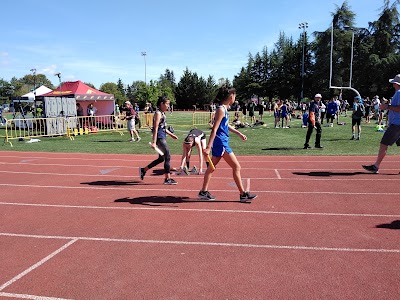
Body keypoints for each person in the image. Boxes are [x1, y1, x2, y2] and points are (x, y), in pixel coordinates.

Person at [198, 86, 257, 202]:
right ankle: (243, 194)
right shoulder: (221, 110)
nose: (235, 98)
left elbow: (225, 126)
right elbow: (214, 129)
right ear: (231, 96)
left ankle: (203, 191)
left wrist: (238, 133)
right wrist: (208, 147)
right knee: (236, 166)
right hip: (221, 143)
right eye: (235, 95)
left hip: (222, 141)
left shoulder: (224, 109)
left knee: (211, 168)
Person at [363, 74, 400, 173]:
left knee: (384, 144)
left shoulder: (399, 93)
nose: (392, 85)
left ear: (396, 83)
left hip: (397, 124)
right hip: (397, 123)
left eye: (394, 83)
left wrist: (387, 107)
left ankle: (376, 166)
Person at [139, 96, 178, 185]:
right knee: (167, 156)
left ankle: (143, 170)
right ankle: (167, 179)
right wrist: (154, 142)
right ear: (161, 104)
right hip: (159, 138)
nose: (168, 106)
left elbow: (163, 127)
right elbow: (155, 128)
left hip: (162, 136)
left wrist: (171, 135)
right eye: (167, 104)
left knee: (162, 158)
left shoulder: (162, 113)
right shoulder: (158, 113)